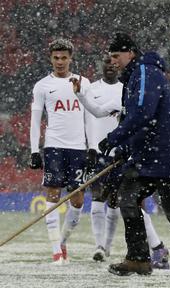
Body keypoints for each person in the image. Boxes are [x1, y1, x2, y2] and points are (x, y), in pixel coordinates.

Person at [97, 32, 170, 276]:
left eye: (116, 55)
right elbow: (136, 118)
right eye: (110, 57)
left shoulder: (144, 73)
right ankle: (138, 259)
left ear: (130, 53)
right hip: (150, 156)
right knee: (128, 196)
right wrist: (124, 149)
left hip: (166, 155)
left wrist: (114, 138)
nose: (113, 61)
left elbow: (142, 113)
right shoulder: (134, 77)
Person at [75, 55, 170, 269]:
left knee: (129, 202)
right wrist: (80, 95)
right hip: (115, 156)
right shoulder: (121, 96)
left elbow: (143, 123)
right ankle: (140, 249)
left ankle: (155, 250)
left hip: (131, 156)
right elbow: (99, 111)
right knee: (115, 201)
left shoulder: (137, 95)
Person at [29, 38, 91, 264]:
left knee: (77, 200)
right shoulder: (42, 85)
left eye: (64, 57)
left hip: (78, 147)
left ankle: (63, 240)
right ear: (50, 58)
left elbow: (90, 117)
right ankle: (56, 251)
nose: (60, 62)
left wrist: (92, 146)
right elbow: (35, 120)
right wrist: (35, 150)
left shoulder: (83, 83)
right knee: (53, 193)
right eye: (56, 58)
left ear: (70, 58)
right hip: (54, 145)